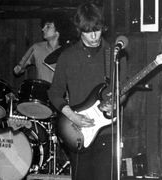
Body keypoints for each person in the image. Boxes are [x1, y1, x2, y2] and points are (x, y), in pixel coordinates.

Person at [48, 2, 128, 180]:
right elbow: (54, 92)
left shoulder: (114, 55)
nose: (94, 35)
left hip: (107, 132)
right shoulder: (67, 57)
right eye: (88, 31)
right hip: (77, 131)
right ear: (79, 30)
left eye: (97, 29)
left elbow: (122, 91)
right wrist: (72, 116)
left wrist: (117, 103)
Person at [13, 15, 68, 83]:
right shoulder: (35, 48)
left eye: (48, 26)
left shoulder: (67, 51)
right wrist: (19, 69)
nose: (43, 29)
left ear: (57, 32)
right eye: (43, 26)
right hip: (40, 91)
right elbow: (20, 67)